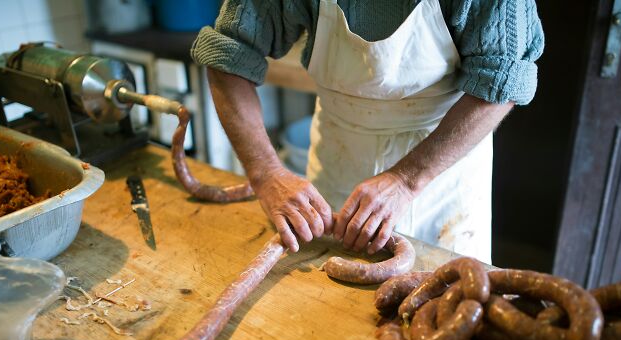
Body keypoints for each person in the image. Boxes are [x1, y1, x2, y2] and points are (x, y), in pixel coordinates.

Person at [191, 0, 544, 263]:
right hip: (339, 156)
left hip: (442, 174)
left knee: (445, 300)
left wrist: (406, 180)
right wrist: (265, 173)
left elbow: (501, 84)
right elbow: (228, 56)